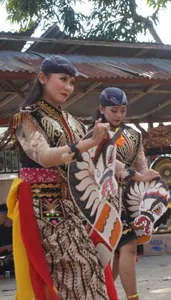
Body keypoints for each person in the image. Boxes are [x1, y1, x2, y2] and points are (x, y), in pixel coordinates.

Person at [0, 55, 158, 300]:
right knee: (69, 268)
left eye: (71, 82)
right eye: (62, 79)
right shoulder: (25, 118)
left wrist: (135, 174)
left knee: (92, 267)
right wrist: (89, 143)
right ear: (42, 78)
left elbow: (98, 156)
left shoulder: (72, 122)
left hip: (75, 204)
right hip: (43, 206)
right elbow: (44, 156)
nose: (68, 87)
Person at [95, 87, 159, 300]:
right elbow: (112, 162)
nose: (119, 115)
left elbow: (141, 163)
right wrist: (136, 175)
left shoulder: (133, 134)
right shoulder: (97, 132)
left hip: (130, 199)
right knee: (124, 247)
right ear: (101, 109)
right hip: (105, 197)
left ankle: (102, 294)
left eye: (122, 110)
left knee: (119, 251)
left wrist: (150, 175)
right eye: (113, 110)